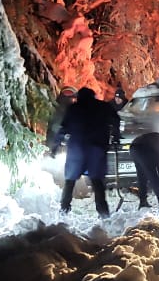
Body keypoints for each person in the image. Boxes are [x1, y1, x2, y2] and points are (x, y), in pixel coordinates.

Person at [49, 87, 120, 217]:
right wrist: (116, 136)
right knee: (97, 182)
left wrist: (55, 146)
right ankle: (103, 213)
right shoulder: (103, 107)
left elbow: (63, 129)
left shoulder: (74, 109)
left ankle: (64, 210)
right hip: (96, 149)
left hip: (77, 150)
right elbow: (116, 119)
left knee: (70, 181)